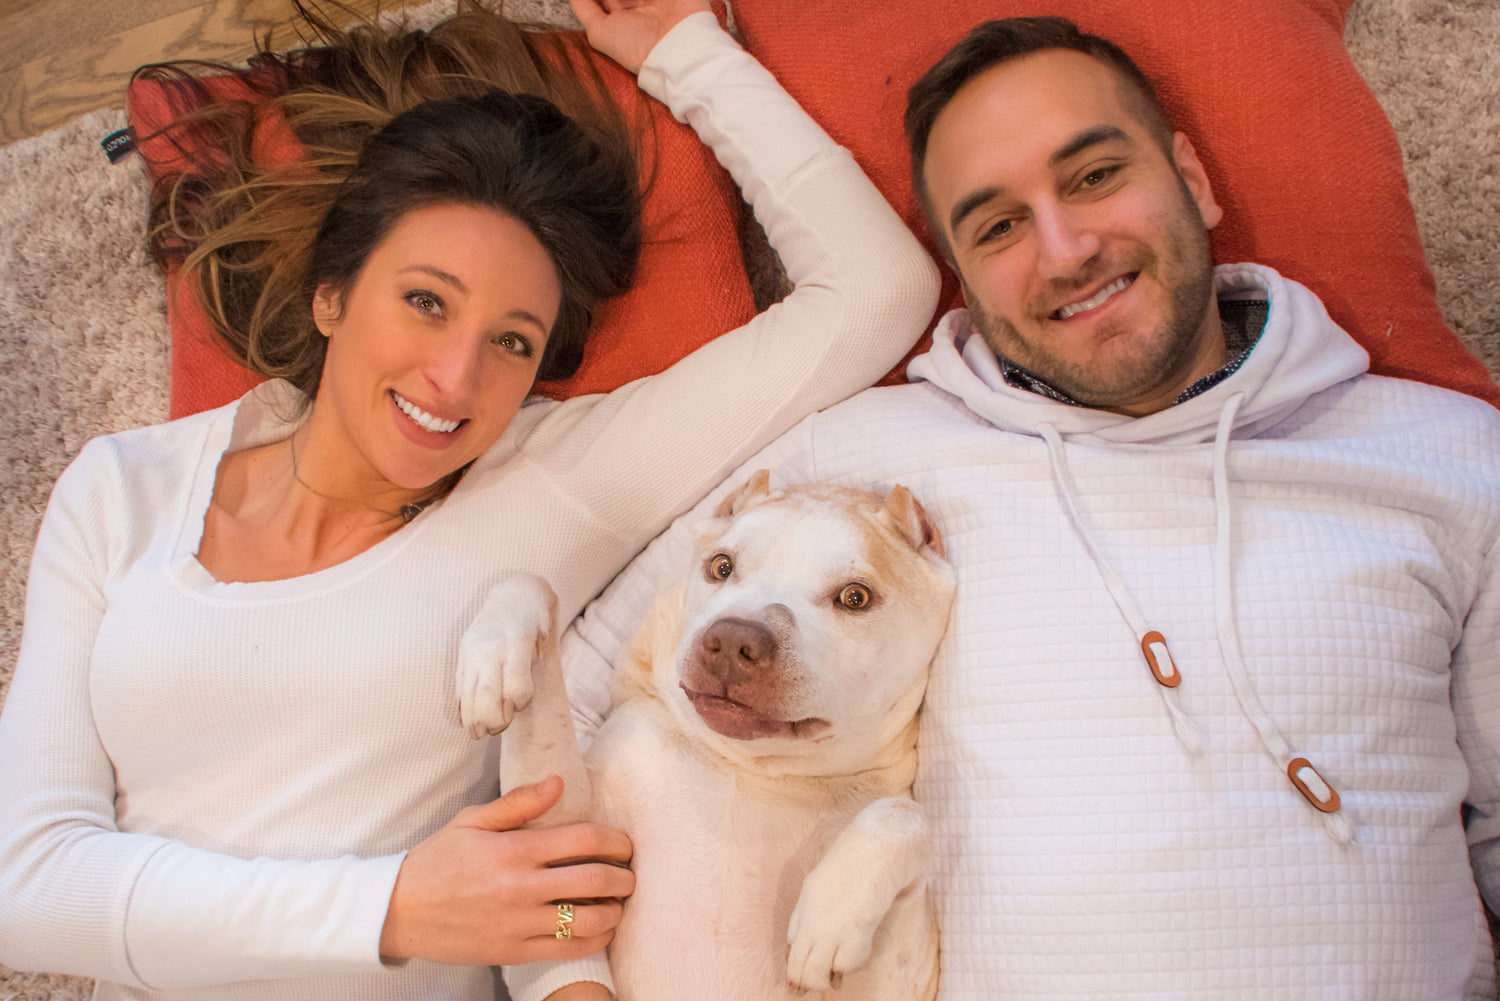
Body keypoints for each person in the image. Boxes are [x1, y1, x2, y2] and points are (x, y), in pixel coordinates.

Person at [0, 0, 938, 999]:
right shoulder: (122, 484)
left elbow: (875, 289)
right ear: (332, 294)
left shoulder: (556, 480)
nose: (454, 379)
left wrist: (685, 59)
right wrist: (391, 906)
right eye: (426, 300)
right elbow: (27, 886)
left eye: (513, 340)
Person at [560, 15, 1500, 999]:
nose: (1065, 249)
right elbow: (582, 681)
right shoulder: (854, 458)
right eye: (997, 225)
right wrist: (567, 978)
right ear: (962, 270)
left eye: (1096, 175)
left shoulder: (1447, 461)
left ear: (1195, 176)